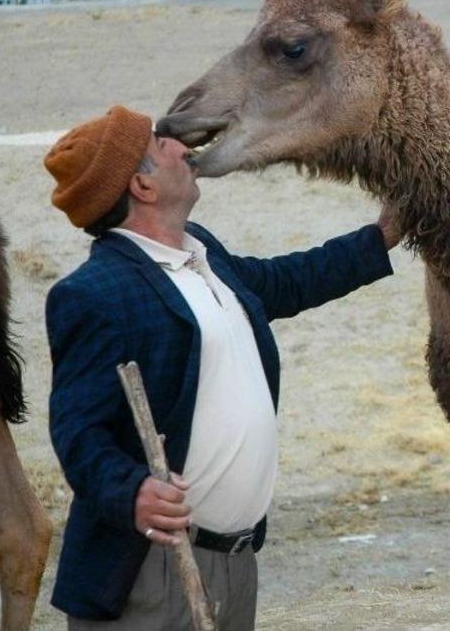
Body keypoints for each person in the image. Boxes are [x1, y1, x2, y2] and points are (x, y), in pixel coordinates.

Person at [43, 105, 398, 629]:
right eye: (161, 144)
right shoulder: (91, 294)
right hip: (152, 574)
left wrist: (384, 235)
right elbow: (77, 432)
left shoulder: (201, 250)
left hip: (236, 564)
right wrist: (132, 490)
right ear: (140, 186)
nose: (181, 148)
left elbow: (286, 281)